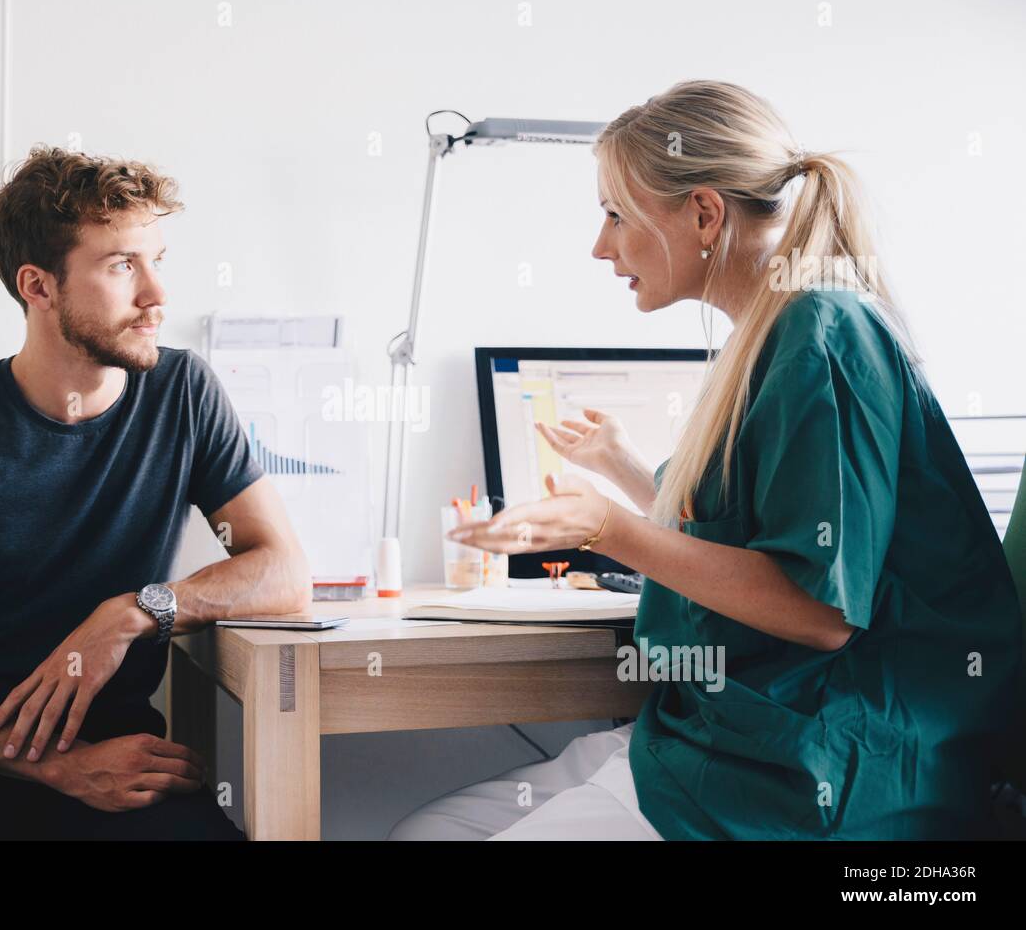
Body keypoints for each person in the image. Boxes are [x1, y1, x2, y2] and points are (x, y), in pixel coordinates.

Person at [390, 80, 1023, 840]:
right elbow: (755, 523)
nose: (601, 245)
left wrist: (607, 528)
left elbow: (819, 610)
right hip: (730, 737)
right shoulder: (769, 336)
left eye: (616, 214)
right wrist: (624, 469)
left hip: (824, 766)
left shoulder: (822, 332)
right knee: (428, 831)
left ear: (704, 213)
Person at [0, 146, 313, 840]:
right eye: (123, 265)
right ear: (39, 286)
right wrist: (60, 765)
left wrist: (133, 612)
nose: (157, 294)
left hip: (116, 759)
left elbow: (286, 571)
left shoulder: (183, 393)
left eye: (157, 260)